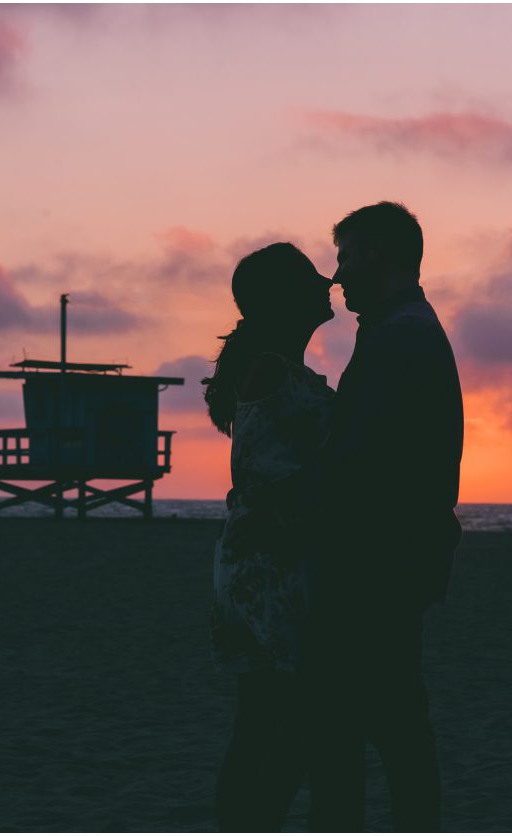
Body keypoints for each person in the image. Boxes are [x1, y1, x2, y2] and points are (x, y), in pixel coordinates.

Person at [304, 200, 465, 831]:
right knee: (394, 718)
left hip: (376, 563)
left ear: (376, 255)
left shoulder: (402, 335)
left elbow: (362, 458)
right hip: (397, 558)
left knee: (369, 722)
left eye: (344, 258)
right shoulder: (403, 328)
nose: (337, 276)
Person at [204, 242, 335, 831]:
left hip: (269, 559)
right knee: (284, 722)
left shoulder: (281, 369)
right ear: (286, 298)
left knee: (265, 719)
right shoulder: (272, 372)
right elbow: (260, 475)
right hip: (267, 565)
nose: (326, 284)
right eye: (311, 279)